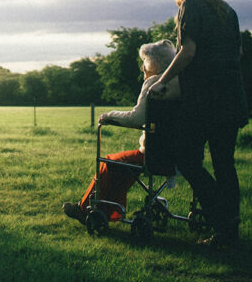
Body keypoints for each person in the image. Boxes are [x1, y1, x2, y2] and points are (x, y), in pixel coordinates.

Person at [150, 0, 248, 246]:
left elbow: (187, 52)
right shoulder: (227, 10)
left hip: (205, 101)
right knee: (224, 165)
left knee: (185, 157)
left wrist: (162, 80)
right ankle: (229, 230)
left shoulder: (190, 7)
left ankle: (221, 217)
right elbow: (238, 52)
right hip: (232, 98)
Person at [63, 39, 180, 225]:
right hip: (178, 155)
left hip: (154, 155)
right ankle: (111, 212)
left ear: (154, 63)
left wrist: (109, 116)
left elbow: (136, 118)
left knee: (110, 162)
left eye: (145, 62)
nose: (143, 68)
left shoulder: (154, 84)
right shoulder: (179, 83)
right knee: (123, 165)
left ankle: (85, 208)